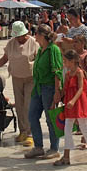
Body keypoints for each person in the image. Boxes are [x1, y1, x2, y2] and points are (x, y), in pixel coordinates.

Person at [0, 21, 39, 147]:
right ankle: (23, 131)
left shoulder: (33, 43)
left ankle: (30, 133)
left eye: (19, 35)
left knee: (28, 105)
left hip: (31, 78)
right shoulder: (11, 43)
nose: (18, 38)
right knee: (19, 105)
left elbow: (39, 58)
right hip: (16, 77)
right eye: (16, 36)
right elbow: (5, 58)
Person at [53, 50, 87, 166]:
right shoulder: (68, 74)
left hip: (79, 102)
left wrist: (73, 101)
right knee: (67, 129)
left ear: (73, 61)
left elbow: (80, 88)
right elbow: (65, 89)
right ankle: (66, 156)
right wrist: (58, 96)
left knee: (84, 127)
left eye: (65, 61)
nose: (64, 63)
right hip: (70, 103)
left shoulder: (79, 72)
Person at [24, 24, 63, 160]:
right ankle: (38, 147)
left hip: (50, 88)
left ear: (42, 36)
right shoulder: (41, 49)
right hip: (39, 87)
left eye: (36, 34)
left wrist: (57, 93)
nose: (34, 36)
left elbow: (57, 72)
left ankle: (54, 148)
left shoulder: (53, 50)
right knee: (32, 116)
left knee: (50, 119)